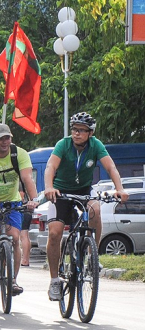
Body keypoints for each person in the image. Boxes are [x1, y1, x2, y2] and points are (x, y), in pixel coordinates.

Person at [44, 112, 128, 301]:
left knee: (95, 210)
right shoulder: (63, 144)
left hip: (84, 190)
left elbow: (111, 168)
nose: (77, 133)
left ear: (90, 133)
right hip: (61, 192)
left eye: (82, 130)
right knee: (55, 233)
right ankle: (55, 280)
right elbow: (50, 167)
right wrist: (49, 187)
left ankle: (92, 256)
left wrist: (120, 189)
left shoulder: (96, 145)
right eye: (74, 129)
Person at [0, 123, 39, 295]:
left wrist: (33, 199)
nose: (4, 142)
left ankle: (13, 280)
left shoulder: (19, 153)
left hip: (12, 202)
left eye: (7, 138)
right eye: (0, 139)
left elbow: (27, 178)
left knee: (14, 238)